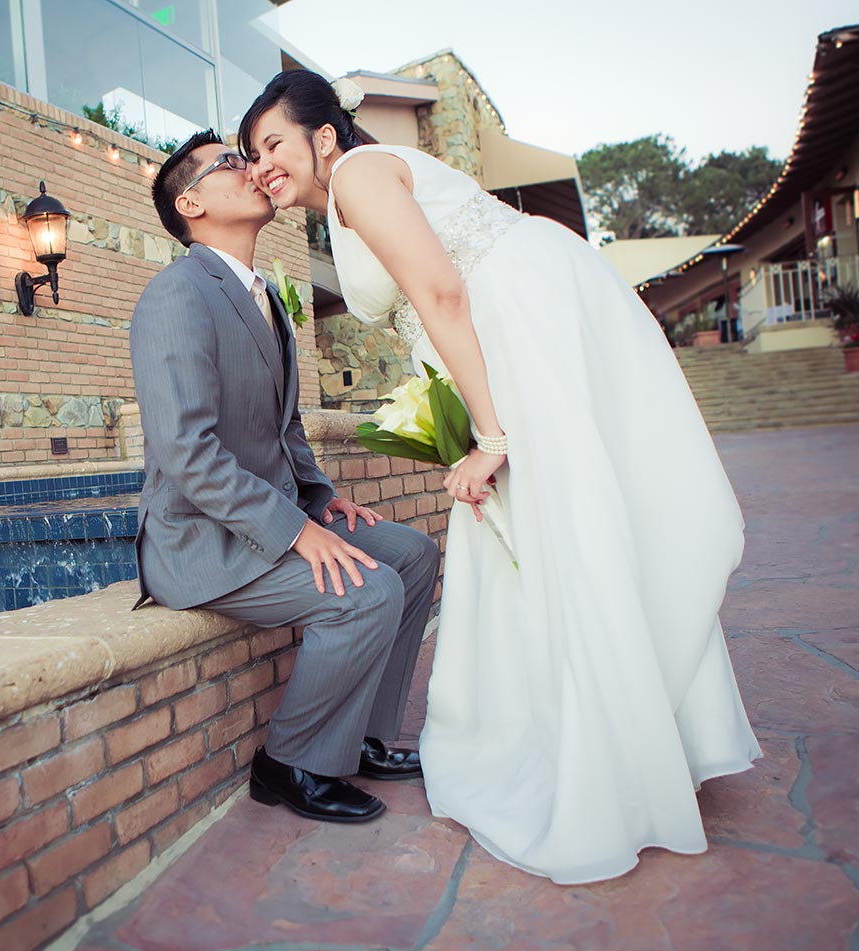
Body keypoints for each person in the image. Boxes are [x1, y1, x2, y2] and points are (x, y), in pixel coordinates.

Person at [241, 70, 762, 883]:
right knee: (566, 538)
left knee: (563, 539)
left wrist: (489, 435)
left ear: (325, 136)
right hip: (514, 338)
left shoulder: (359, 174)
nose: (263, 164)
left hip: (517, 341)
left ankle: (602, 763)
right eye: (250, 154)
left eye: (274, 143)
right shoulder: (347, 192)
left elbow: (444, 292)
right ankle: (625, 742)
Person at [130, 129, 442, 825]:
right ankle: (291, 761)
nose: (252, 170)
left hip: (269, 518)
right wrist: (296, 532)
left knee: (413, 557)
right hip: (200, 543)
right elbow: (185, 450)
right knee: (365, 593)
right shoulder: (175, 295)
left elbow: (284, 430)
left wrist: (322, 500)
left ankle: (361, 737)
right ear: (190, 201)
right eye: (230, 164)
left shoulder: (266, 295)